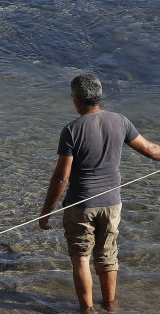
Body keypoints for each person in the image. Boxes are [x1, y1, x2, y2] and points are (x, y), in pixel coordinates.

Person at [38, 74, 160, 313]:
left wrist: (46, 212)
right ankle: (110, 307)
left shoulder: (71, 130)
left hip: (80, 206)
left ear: (76, 99)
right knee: (107, 256)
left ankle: (87, 309)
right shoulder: (120, 121)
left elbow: (62, 178)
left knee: (81, 257)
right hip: (112, 204)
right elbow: (152, 150)